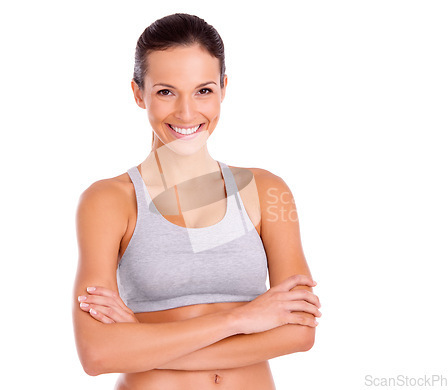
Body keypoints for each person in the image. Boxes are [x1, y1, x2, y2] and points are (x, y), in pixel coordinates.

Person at [72, 13, 321, 389]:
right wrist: (240, 320)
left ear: (223, 88)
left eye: (203, 90)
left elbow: (300, 331)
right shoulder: (108, 201)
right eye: (166, 91)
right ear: (139, 93)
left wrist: (140, 340)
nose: (187, 113)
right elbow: (97, 354)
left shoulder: (269, 192)